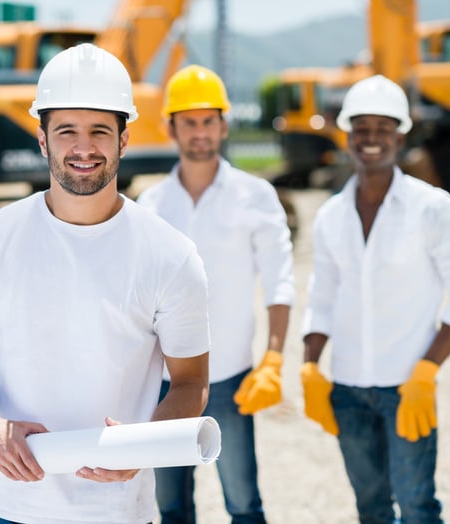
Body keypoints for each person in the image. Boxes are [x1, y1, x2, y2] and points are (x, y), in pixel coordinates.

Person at [0, 43, 211, 524]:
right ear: (42, 140)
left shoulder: (171, 256)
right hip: (0, 506)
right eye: (66, 131)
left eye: (100, 130)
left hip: (116, 512)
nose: (84, 148)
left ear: (124, 140)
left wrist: (141, 449)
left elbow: (191, 382)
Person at [301, 74, 450, 524]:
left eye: (383, 127)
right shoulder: (330, 216)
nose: (371, 138)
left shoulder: (431, 207)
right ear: (347, 135)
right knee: (371, 508)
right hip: (348, 390)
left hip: (407, 387)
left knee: (418, 507)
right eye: (361, 127)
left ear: (401, 135)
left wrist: (427, 370)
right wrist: (309, 365)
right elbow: (322, 297)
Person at [137, 65, 295, 524]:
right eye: (189, 121)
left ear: (224, 126)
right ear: (171, 127)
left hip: (231, 378)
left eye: (208, 120)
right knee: (170, 507)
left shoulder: (256, 195)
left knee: (244, 505)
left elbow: (280, 279)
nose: (200, 131)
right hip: (163, 383)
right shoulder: (151, 206)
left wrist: (273, 359)